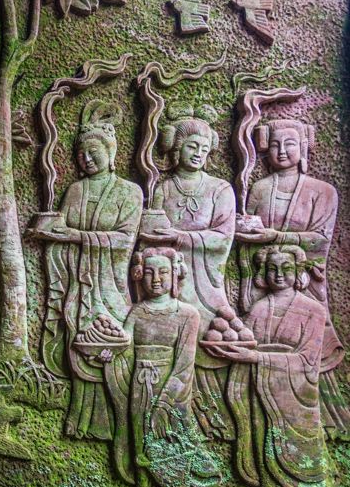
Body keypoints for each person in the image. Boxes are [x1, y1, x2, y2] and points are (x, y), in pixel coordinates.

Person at [211, 245, 348, 487]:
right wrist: (234, 349)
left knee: (305, 465)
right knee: (267, 462)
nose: (279, 275)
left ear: (299, 272)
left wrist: (256, 358)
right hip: (262, 394)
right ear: (263, 274)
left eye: (286, 268)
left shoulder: (313, 310)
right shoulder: (260, 309)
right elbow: (244, 342)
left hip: (296, 400)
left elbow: (308, 361)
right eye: (272, 269)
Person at [37, 101, 143, 443]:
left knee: (110, 344)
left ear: (111, 153)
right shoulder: (75, 191)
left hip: (109, 282)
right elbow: (62, 234)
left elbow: (125, 240)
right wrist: (53, 238)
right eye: (81, 152)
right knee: (78, 344)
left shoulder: (130, 192)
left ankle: (116, 420)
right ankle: (82, 420)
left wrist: (76, 236)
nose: (86, 158)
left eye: (94, 151)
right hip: (78, 281)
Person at [238, 118, 348, 439]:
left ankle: (324, 413)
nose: (282, 151)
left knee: (306, 347)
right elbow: (250, 238)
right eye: (275, 145)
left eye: (289, 144)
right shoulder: (260, 189)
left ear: (303, 149)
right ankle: (264, 412)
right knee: (264, 343)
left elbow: (320, 240)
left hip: (303, 280)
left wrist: (277, 236)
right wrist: (248, 277)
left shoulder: (322, 191)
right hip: (264, 278)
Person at [105, 248, 232, 487]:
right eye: (149, 273)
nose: (156, 279)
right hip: (141, 388)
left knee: (174, 447)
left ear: (175, 275)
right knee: (144, 449)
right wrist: (108, 352)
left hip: (173, 393)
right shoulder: (138, 311)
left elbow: (185, 365)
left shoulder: (187, 314)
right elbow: (123, 345)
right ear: (139, 277)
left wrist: (164, 403)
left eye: (163, 272)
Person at [141, 109, 236, 440]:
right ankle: (174, 414)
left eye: (204, 149)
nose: (198, 154)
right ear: (175, 148)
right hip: (168, 276)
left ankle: (213, 415)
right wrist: (160, 238)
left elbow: (223, 237)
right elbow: (150, 233)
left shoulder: (220, 188)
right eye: (192, 146)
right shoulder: (163, 189)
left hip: (205, 276)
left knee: (208, 335)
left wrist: (179, 236)